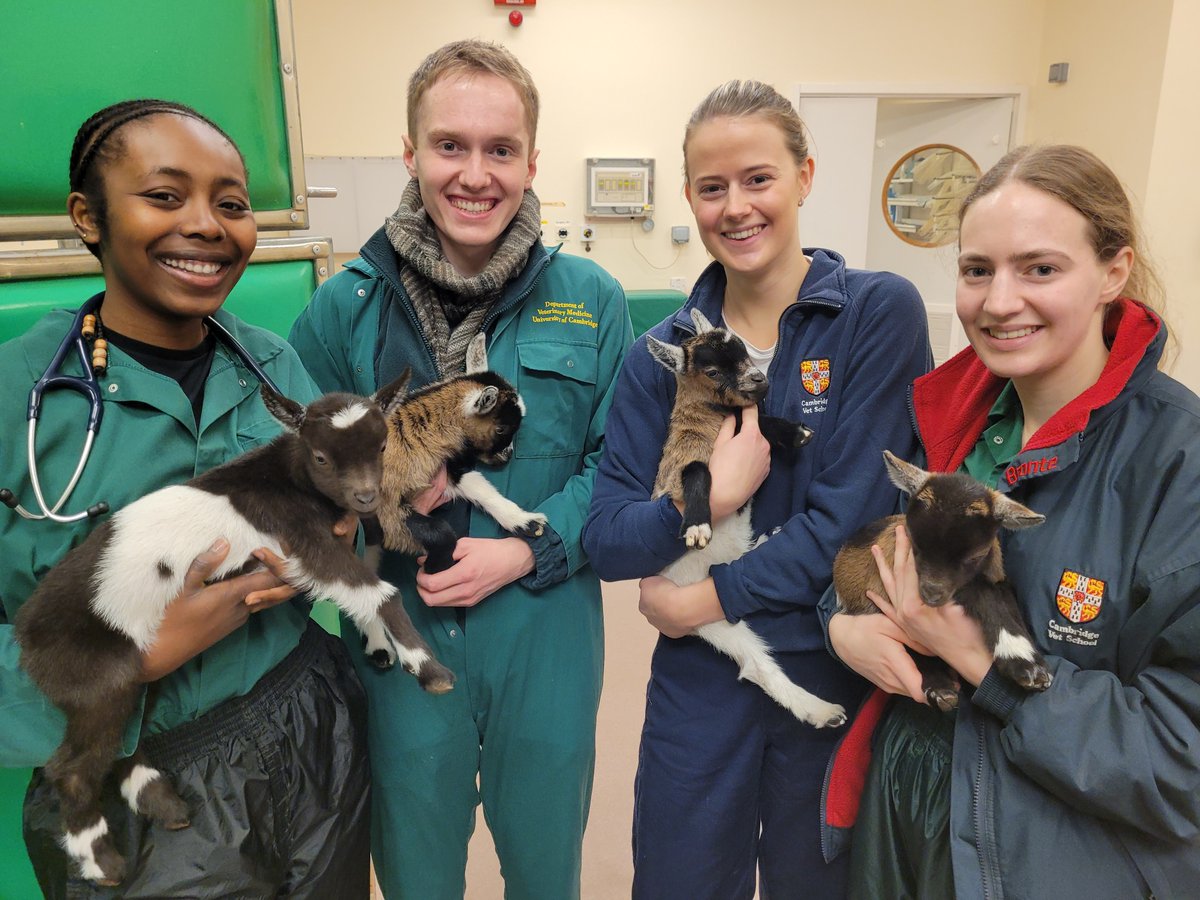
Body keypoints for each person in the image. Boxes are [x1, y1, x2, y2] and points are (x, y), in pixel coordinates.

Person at [0, 99, 370, 898]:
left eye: (231, 204)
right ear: (87, 217)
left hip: (308, 725)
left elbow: (335, 517)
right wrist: (131, 658)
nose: (206, 224)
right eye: (165, 196)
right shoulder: (13, 396)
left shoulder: (274, 366)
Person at [287, 40, 632, 899]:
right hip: (397, 628)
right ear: (411, 154)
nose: (474, 174)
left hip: (544, 626)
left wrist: (527, 552)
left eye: (500, 149)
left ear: (530, 162)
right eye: (450, 146)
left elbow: (618, 470)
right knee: (413, 870)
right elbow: (299, 478)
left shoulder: (592, 300)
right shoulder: (343, 308)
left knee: (547, 868)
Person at [581, 80, 931, 898]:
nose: (735, 207)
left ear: (805, 176)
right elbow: (607, 538)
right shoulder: (657, 357)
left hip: (831, 660)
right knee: (678, 880)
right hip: (701, 687)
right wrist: (713, 498)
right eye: (711, 188)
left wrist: (701, 600)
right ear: (690, 198)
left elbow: (849, 521)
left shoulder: (875, 315)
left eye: (758, 179)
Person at [822, 144, 1200, 900]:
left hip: (1054, 858)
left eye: (1039, 269)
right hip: (903, 818)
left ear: (1114, 273)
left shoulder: (1176, 465)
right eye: (976, 270)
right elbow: (881, 560)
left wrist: (987, 665)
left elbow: (1180, 759)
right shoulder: (945, 425)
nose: (997, 302)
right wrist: (842, 623)